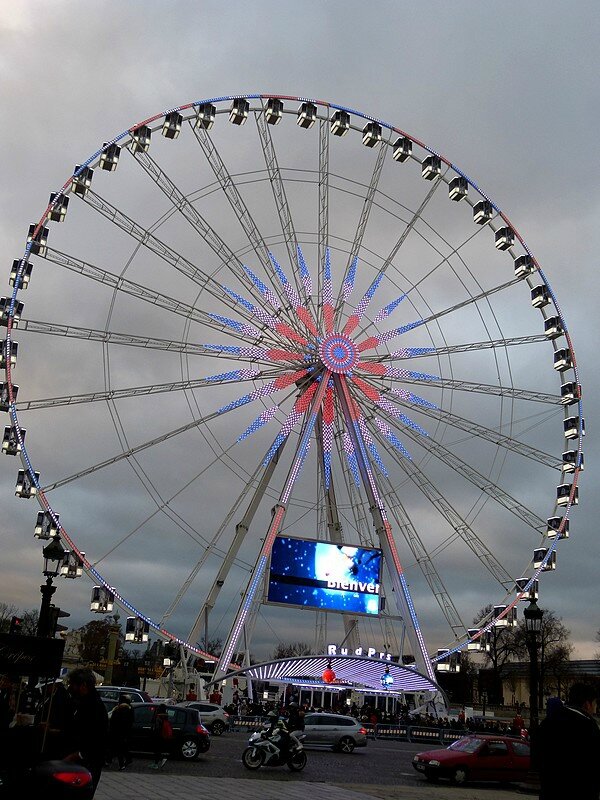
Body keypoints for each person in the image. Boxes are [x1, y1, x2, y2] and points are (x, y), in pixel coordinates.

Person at [536, 682, 600, 800]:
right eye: (595, 704)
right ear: (587, 704)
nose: (594, 709)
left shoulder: (548, 722)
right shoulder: (588, 727)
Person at [63, 667, 109, 797]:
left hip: (86, 764)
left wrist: (77, 755)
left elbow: (96, 738)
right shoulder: (83, 702)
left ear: (83, 685)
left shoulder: (94, 707)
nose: (70, 688)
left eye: (72, 684)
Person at [108, 693, 133, 770]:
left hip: (117, 732)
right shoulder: (129, 709)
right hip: (124, 732)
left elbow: (113, 720)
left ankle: (120, 764)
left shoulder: (119, 709)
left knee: (117, 749)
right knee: (119, 748)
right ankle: (124, 761)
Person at [150, 703, 171, 769]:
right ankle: (157, 762)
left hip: (158, 735)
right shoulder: (166, 716)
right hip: (163, 734)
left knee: (156, 750)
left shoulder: (158, 716)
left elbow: (157, 726)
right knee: (159, 749)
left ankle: (157, 763)